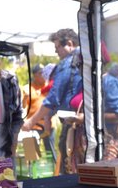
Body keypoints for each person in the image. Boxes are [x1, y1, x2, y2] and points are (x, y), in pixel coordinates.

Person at [22, 29, 82, 174]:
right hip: (84, 123)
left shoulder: (68, 63)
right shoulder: (86, 60)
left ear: (69, 44)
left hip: (74, 125)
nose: (56, 53)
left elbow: (54, 97)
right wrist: (47, 116)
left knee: (69, 169)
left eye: (57, 48)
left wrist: (31, 122)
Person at [21, 64, 56, 163]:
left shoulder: (49, 86)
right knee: (31, 154)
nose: (43, 75)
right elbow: (23, 107)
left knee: (51, 151)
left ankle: (55, 173)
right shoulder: (27, 88)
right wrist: (25, 98)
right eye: (40, 73)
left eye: (44, 73)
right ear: (35, 75)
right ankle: (32, 174)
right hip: (32, 126)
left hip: (47, 124)